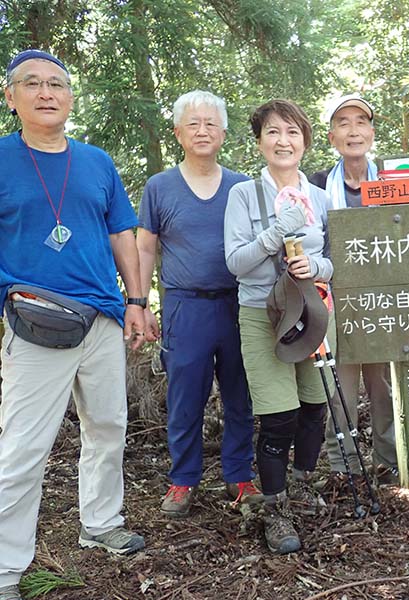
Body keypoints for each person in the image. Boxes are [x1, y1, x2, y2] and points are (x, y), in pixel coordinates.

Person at [0, 49, 145, 600]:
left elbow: (121, 233)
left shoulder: (96, 162)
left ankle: (101, 523)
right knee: (23, 448)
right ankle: (5, 569)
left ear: (70, 96)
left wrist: (136, 300)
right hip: (35, 319)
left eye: (57, 84)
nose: (46, 92)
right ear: (10, 96)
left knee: (108, 426)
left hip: (103, 315)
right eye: (32, 83)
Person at [137, 90, 261, 517]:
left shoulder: (243, 186)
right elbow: (145, 247)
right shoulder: (160, 187)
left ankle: (239, 475)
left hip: (240, 304)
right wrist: (140, 302)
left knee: (240, 393)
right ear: (178, 133)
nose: (202, 130)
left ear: (223, 132)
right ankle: (183, 479)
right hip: (184, 306)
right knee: (185, 396)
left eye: (211, 123)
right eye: (193, 123)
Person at [224, 99, 334, 554]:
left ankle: (303, 483)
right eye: (272, 132)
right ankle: (276, 509)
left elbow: (336, 260)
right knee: (278, 415)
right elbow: (235, 262)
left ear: (305, 142)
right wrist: (276, 232)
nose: (283, 141)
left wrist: (317, 267)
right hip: (262, 314)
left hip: (312, 310)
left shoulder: (320, 197)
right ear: (259, 142)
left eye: (292, 132)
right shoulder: (244, 195)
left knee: (315, 404)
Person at [308, 94, 398, 485]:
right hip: (336, 300)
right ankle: (343, 465)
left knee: (383, 387)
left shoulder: (394, 181)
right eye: (343, 123)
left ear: (372, 133)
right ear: (332, 137)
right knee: (339, 390)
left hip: (384, 301)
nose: (353, 130)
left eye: (361, 122)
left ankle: (388, 460)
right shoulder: (316, 187)